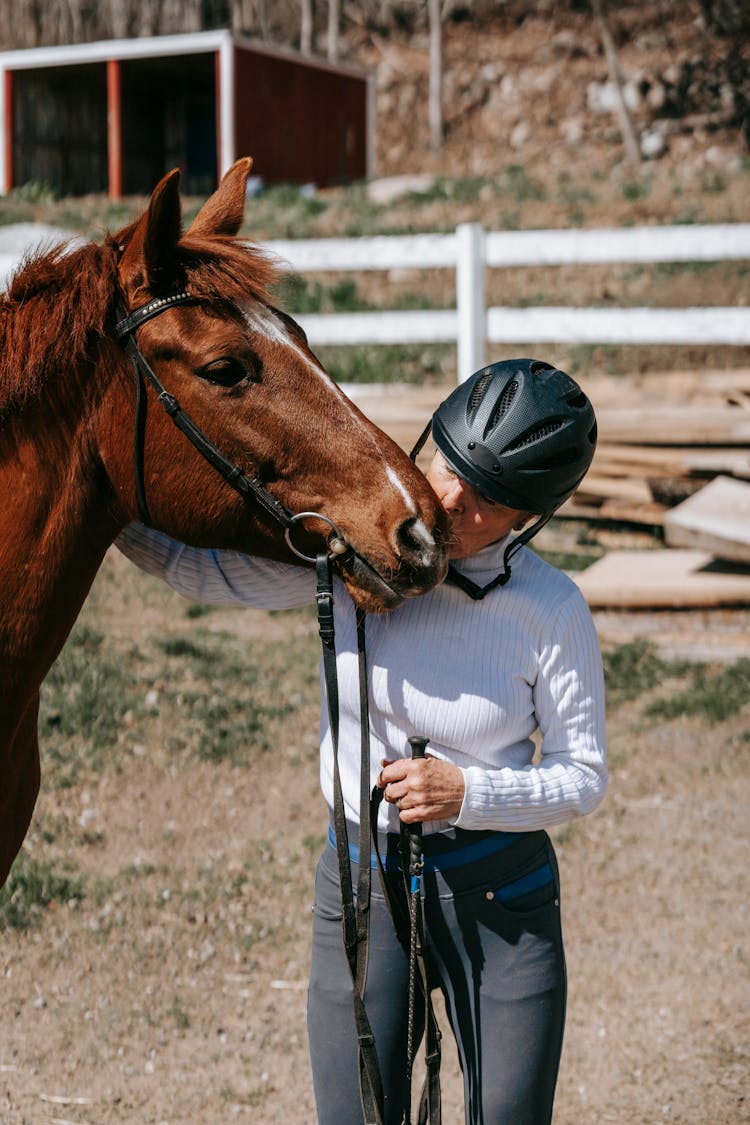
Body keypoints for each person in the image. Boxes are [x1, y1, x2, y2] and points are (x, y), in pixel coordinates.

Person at [117, 357, 606, 1125]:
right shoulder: (355, 558)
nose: (447, 499)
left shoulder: (551, 608)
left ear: (526, 517)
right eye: (444, 463)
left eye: (483, 502)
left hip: (501, 898)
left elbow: (584, 775)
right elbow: (198, 570)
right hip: (360, 882)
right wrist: (97, 486)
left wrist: (468, 792)